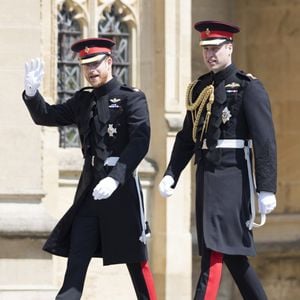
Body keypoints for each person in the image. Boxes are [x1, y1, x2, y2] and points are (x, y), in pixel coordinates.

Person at [23, 37, 157, 300]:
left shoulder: (132, 98)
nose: (91, 70)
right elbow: (46, 116)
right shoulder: (82, 100)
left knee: (136, 261)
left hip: (122, 190)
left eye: (96, 63)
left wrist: (117, 177)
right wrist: (31, 94)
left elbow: (140, 142)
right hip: (90, 191)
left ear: (110, 62)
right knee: (76, 260)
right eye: (86, 65)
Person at [159, 21, 277, 300]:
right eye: (206, 49)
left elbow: (264, 140)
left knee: (214, 249)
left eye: (215, 48)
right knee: (233, 256)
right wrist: (171, 173)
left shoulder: (248, 87)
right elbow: (188, 137)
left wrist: (267, 187)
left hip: (232, 177)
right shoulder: (199, 88)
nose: (210, 54)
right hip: (207, 173)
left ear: (229, 47)